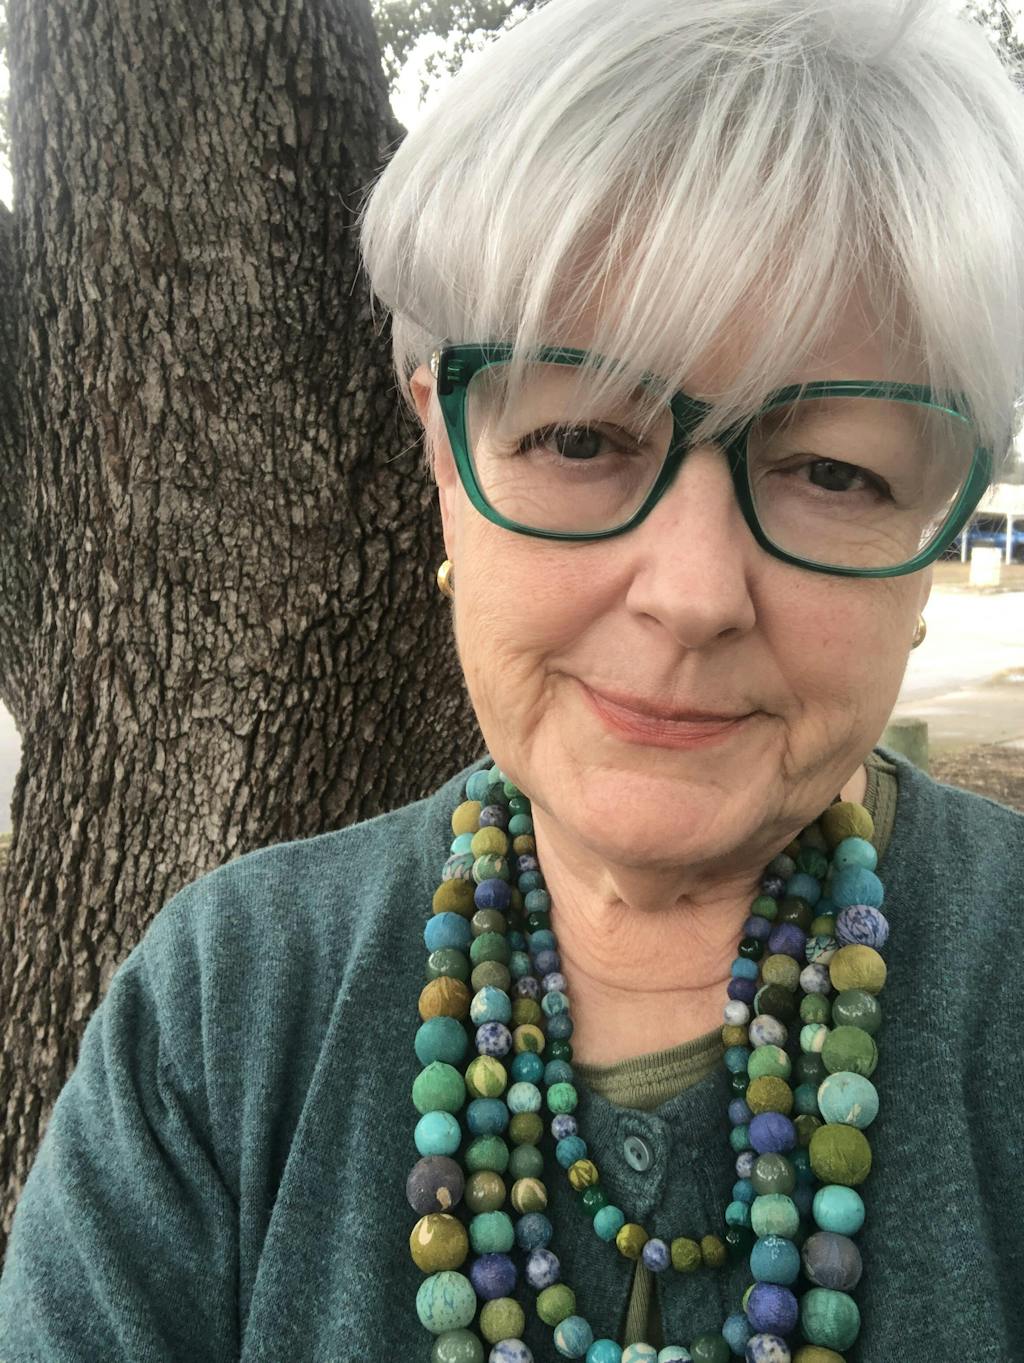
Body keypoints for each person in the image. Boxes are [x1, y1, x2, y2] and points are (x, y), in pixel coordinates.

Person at [2, 0, 1023, 1358]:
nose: (694, 593)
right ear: (443, 449)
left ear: (937, 522)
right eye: (582, 437)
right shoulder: (226, 1009)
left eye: (835, 469)